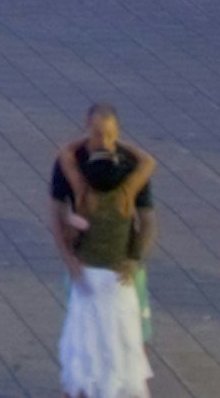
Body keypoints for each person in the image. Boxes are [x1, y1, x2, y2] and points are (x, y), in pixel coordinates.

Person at [50, 105, 155, 398]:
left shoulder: (83, 194)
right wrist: (119, 142)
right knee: (123, 344)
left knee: (83, 348)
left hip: (87, 277)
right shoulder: (127, 191)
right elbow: (149, 161)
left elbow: (65, 156)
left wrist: (80, 142)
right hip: (120, 280)